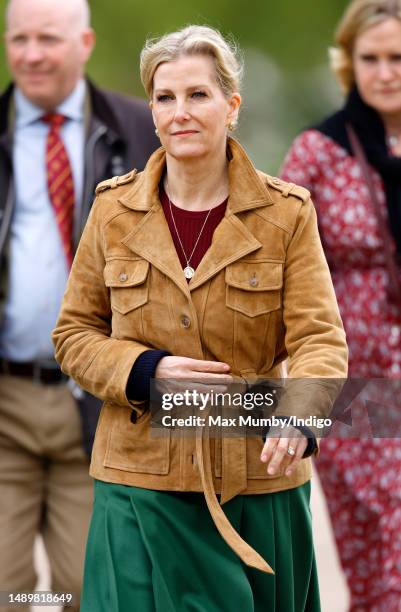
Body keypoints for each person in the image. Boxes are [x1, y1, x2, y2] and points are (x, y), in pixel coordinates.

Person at [53, 25, 348, 612]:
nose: (180, 112)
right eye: (166, 97)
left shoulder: (287, 215)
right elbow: (73, 335)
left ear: (231, 106)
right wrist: (145, 371)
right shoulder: (112, 210)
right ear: (153, 110)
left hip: (256, 482)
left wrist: (299, 412)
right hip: (137, 482)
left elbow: (320, 337)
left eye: (198, 95)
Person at [0, 0, 158, 609]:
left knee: (88, 590)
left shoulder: (141, 128)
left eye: (47, 38)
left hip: (101, 403)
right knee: (8, 592)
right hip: (7, 399)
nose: (31, 54)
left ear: (85, 42)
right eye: (19, 39)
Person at [280, 0, 401, 609]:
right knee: (372, 542)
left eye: (397, 58)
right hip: (354, 377)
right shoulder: (319, 152)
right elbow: (277, 259)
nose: (385, 72)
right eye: (370, 58)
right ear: (349, 63)